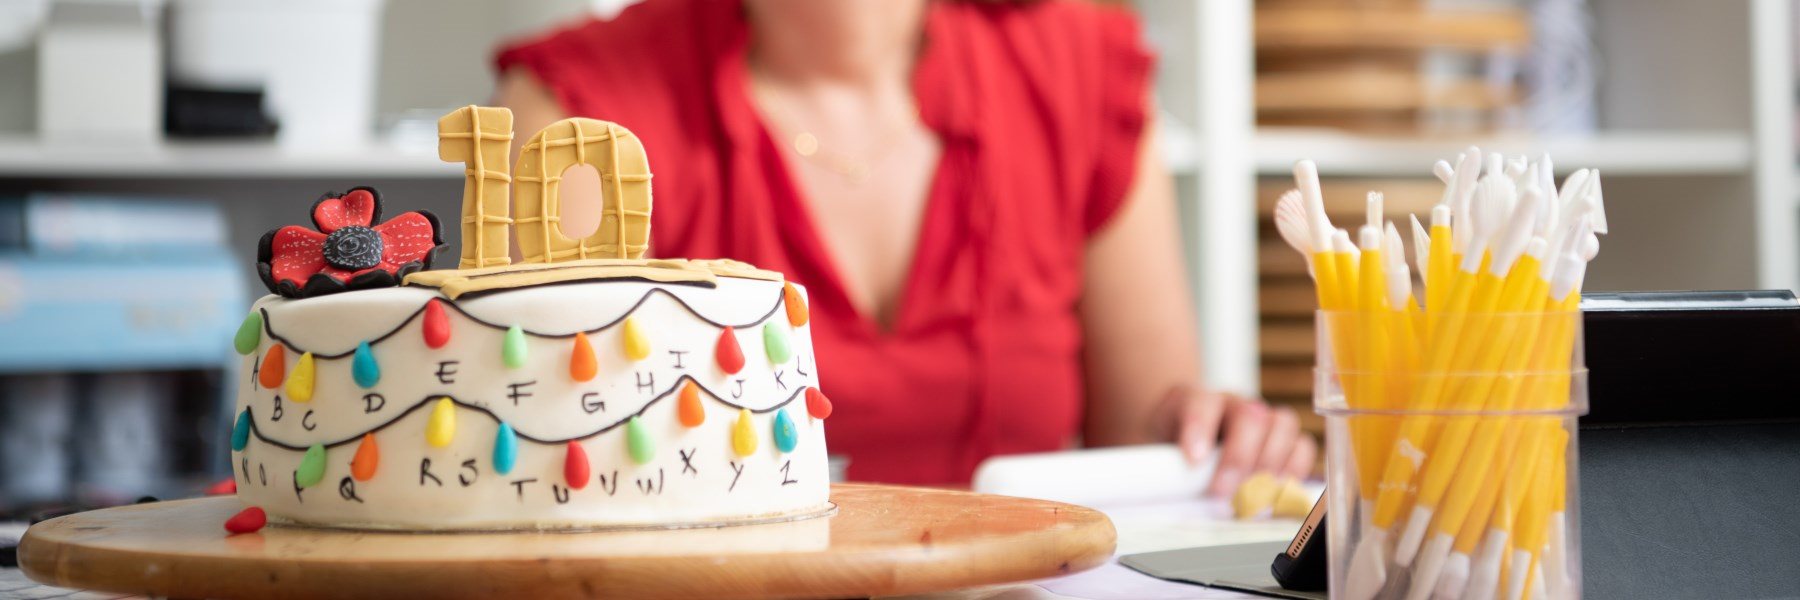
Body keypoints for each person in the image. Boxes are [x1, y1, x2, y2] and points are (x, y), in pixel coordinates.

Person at [493, 0, 1313, 493]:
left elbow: (1145, 446)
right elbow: (563, 482)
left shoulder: (1078, 71)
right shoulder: (577, 116)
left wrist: (1204, 435)